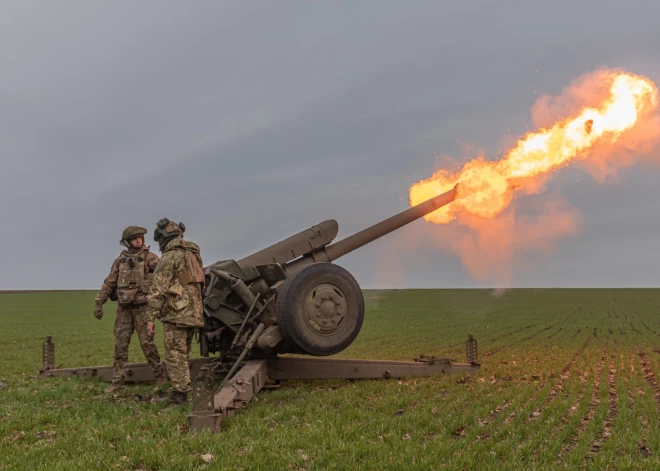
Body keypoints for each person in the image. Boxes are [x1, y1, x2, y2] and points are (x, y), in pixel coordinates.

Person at [94, 226, 167, 393]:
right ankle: (117, 381)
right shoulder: (120, 262)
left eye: (140, 237)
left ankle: (161, 376)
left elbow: (164, 275)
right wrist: (99, 301)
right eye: (135, 238)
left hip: (143, 308)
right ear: (126, 241)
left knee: (147, 345)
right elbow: (110, 282)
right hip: (124, 309)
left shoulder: (150, 258)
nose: (138, 240)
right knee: (120, 346)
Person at [145, 218, 205, 405]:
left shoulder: (171, 256)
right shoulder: (192, 253)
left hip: (177, 312)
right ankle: (182, 388)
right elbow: (192, 281)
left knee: (175, 355)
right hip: (194, 311)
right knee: (183, 353)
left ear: (163, 238)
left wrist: (149, 317)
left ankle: (180, 396)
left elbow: (158, 287)